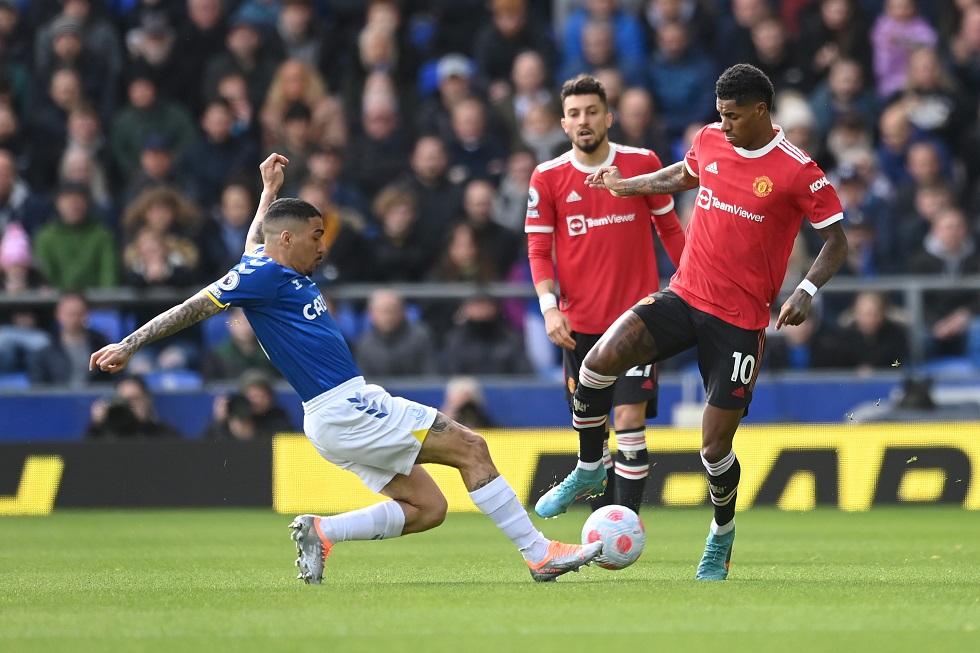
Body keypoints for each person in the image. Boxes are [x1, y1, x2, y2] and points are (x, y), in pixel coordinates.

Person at [89, 152, 602, 584]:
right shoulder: (264, 275)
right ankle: (539, 554)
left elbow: (254, 242)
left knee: (429, 508)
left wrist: (267, 190)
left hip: (334, 414)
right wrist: (130, 344)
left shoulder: (268, 266)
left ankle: (322, 531)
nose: (323, 244)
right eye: (315, 235)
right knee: (472, 447)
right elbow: (194, 306)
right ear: (288, 240)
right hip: (347, 405)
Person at [541, 64, 848, 580]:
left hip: (739, 324)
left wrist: (806, 290)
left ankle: (721, 534)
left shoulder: (798, 170)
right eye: (719, 114)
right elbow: (685, 173)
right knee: (596, 363)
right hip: (684, 296)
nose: (722, 124)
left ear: (760, 111)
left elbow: (837, 241)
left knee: (713, 447)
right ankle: (590, 467)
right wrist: (628, 185)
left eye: (732, 116)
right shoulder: (708, 138)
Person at [526, 74, 685, 515]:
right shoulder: (547, 177)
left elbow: (669, 228)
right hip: (579, 330)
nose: (584, 121)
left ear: (609, 117)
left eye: (592, 111)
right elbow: (538, 250)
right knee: (590, 429)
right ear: (563, 124)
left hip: (638, 323)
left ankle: (625, 523)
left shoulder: (642, 163)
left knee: (629, 419)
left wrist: (694, 279)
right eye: (574, 114)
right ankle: (595, 483)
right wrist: (549, 309)